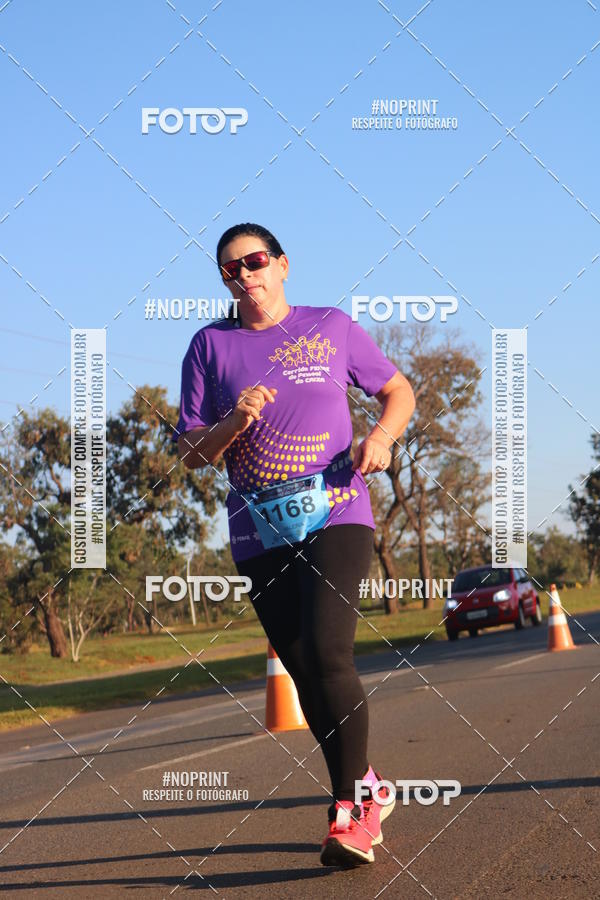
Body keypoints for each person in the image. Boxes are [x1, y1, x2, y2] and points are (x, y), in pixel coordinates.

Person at [174, 223, 416, 868]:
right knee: (303, 662)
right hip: (258, 527)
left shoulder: (331, 326)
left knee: (328, 650)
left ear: (282, 264)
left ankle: (349, 812)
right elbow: (192, 451)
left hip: (337, 508)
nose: (244, 274)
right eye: (230, 269)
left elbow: (397, 389)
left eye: (254, 261)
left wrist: (383, 438)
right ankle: (367, 782)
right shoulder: (209, 346)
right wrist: (234, 421)